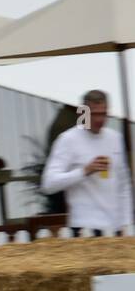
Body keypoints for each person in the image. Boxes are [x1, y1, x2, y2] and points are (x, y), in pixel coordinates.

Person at [42, 90, 133, 232]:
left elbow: (124, 184)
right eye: (94, 114)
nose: (99, 120)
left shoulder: (115, 138)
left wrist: (127, 223)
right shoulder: (68, 139)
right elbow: (48, 184)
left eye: (103, 114)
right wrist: (84, 171)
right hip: (84, 227)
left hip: (116, 227)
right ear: (82, 113)